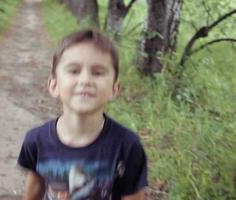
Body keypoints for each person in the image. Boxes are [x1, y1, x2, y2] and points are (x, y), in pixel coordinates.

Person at [17, 29, 148, 200]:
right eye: (74, 71)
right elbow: (35, 185)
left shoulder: (127, 146)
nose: (85, 80)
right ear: (54, 85)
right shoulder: (36, 140)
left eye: (98, 72)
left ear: (114, 89)